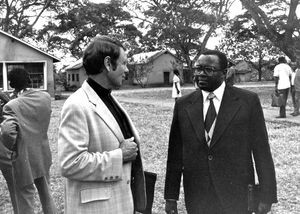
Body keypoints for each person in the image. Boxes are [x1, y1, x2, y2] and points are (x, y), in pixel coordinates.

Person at [164, 50, 277, 214]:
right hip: (197, 196)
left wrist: (267, 196)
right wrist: (171, 196)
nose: (200, 74)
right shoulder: (183, 104)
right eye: (198, 69)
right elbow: (174, 154)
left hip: (236, 195)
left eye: (208, 70)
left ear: (224, 73)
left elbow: (262, 151)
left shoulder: (247, 101)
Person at [58, 35, 146, 214]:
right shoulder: (77, 105)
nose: (126, 69)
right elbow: (70, 163)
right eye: (123, 63)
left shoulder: (107, 97)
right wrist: (119, 156)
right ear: (108, 64)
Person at [0, 68, 56, 214]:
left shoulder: (11, 106)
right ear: (28, 79)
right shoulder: (45, 97)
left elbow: (7, 132)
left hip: (22, 157)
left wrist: (10, 148)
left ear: (11, 84)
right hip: (42, 154)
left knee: (24, 198)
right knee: (46, 193)